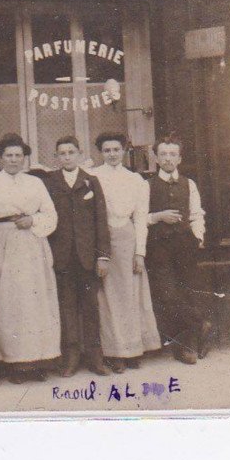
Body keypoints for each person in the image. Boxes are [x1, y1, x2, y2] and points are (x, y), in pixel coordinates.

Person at [0, 133, 61, 384]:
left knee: (36, 304)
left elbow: (51, 215)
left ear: (25, 158)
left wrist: (32, 220)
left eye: (18, 156)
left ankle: (38, 361)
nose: (14, 160)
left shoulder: (35, 183)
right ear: (0, 158)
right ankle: (14, 363)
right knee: (9, 305)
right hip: (3, 245)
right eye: (9, 155)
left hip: (33, 246)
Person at [91, 132, 160, 372]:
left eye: (116, 150)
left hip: (128, 239)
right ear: (101, 152)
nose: (112, 154)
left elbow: (140, 218)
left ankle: (132, 350)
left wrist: (140, 252)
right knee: (108, 297)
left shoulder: (136, 181)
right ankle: (113, 352)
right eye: (107, 150)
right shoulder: (92, 177)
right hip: (103, 240)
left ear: (123, 151)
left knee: (131, 296)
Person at [43, 136, 112, 377]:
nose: (67, 157)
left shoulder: (91, 182)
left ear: (80, 153)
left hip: (87, 257)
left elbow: (101, 221)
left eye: (71, 152)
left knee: (91, 307)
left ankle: (95, 358)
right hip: (62, 257)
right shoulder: (50, 182)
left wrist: (103, 256)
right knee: (67, 307)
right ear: (56, 157)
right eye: (62, 153)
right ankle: (71, 357)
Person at [146, 135, 212, 365]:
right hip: (159, 249)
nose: (168, 159)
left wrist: (197, 236)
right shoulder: (147, 185)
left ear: (180, 158)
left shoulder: (189, 184)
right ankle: (201, 323)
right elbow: (139, 218)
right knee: (167, 295)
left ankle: (186, 346)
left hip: (185, 247)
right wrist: (157, 216)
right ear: (156, 158)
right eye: (163, 154)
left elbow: (196, 214)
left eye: (172, 154)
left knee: (186, 293)